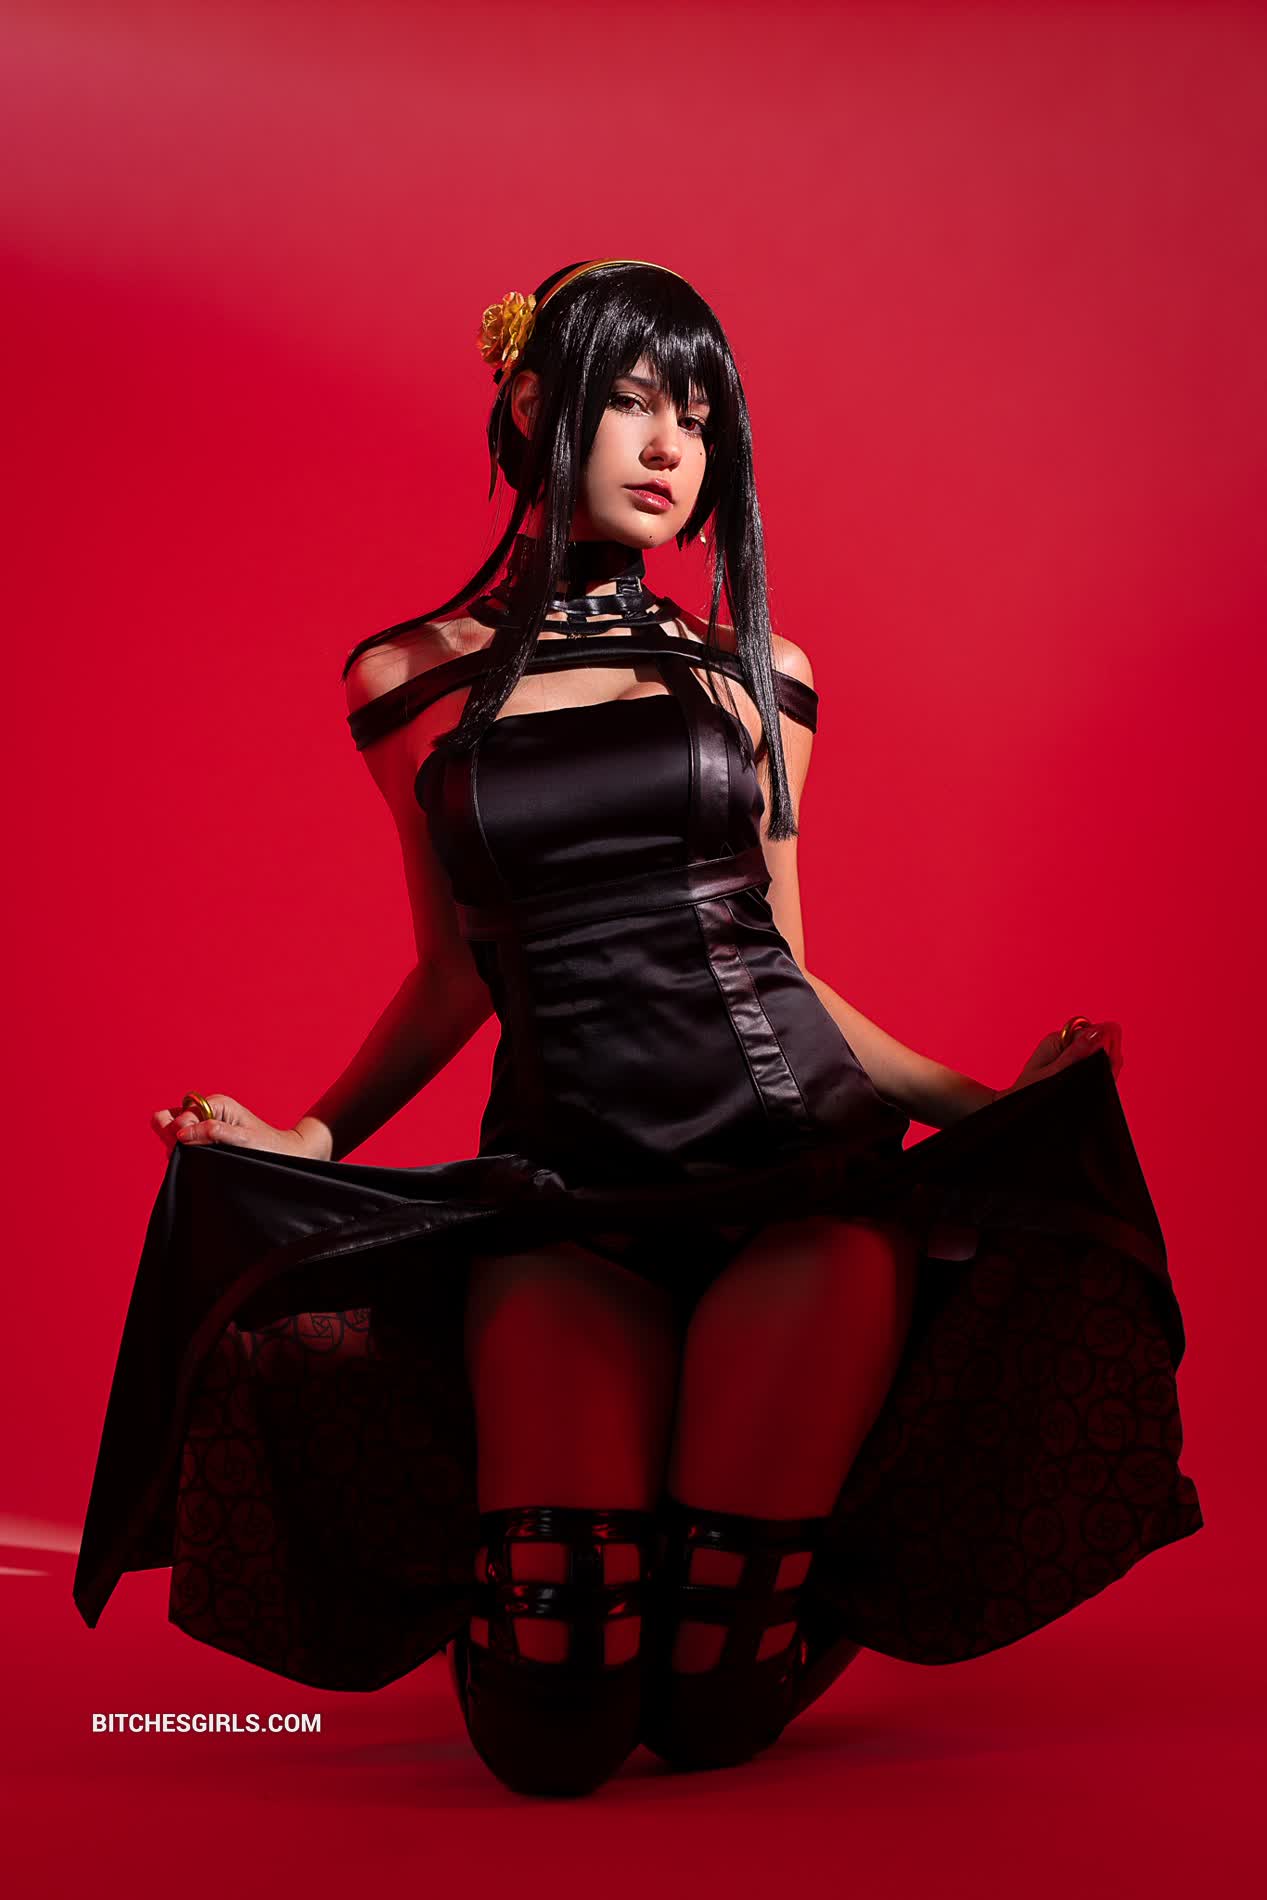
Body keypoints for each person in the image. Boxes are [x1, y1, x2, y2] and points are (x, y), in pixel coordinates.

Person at [72, 258, 1203, 1799]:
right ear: (535, 403)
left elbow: (781, 970)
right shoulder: (406, 681)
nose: (675, 447)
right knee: (556, 1728)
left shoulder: (759, 675)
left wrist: (998, 1104)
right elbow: (454, 974)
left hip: (796, 1195)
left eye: (702, 416)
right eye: (631, 401)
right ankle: (621, 1560)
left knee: (712, 1711)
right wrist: (308, 1137)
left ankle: (787, 1568)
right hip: (568, 1208)